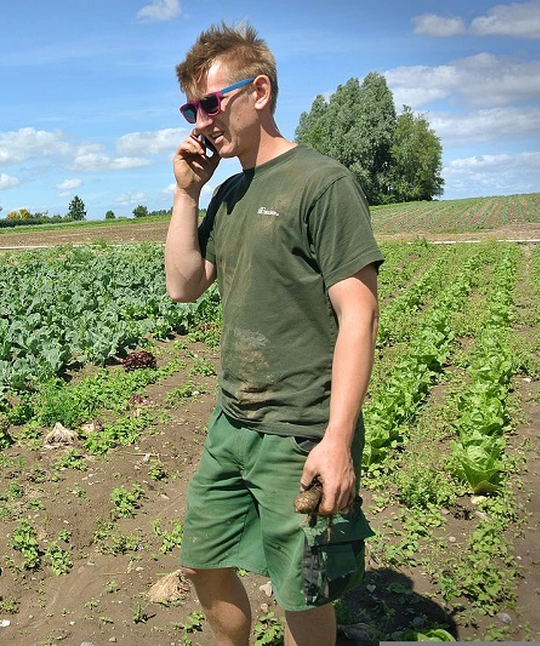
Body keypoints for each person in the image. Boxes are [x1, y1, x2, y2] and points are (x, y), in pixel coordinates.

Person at [165, 21, 384, 646]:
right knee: (203, 561)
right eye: (191, 108)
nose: (201, 120)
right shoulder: (227, 194)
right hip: (232, 422)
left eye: (210, 103)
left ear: (258, 92)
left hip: (299, 431)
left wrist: (336, 439)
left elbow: (359, 315)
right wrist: (186, 194)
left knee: (300, 594)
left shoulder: (323, 183)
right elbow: (184, 284)